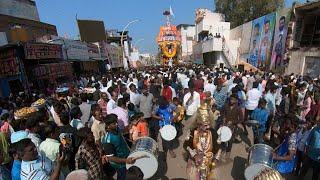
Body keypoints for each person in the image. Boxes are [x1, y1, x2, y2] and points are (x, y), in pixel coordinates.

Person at [101, 114, 135, 180]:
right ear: (108, 125)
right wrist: (126, 160)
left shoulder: (117, 129)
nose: (116, 124)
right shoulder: (107, 140)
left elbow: (122, 138)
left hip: (128, 158)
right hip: (120, 165)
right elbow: (111, 158)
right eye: (114, 123)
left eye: (116, 122)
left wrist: (130, 141)